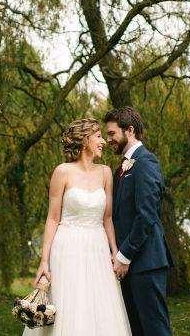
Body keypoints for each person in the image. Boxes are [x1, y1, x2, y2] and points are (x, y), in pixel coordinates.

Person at [25, 118, 131, 335]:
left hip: (98, 248)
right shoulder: (62, 172)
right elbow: (52, 218)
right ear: (85, 140)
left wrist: (114, 252)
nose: (103, 141)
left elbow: (107, 218)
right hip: (67, 248)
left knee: (101, 307)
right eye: (99, 136)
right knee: (69, 306)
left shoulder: (105, 173)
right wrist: (44, 261)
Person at [105, 107, 173, 336]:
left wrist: (124, 256)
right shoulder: (121, 169)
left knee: (155, 329)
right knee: (135, 330)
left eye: (112, 133)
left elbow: (147, 215)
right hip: (128, 266)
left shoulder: (146, 162)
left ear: (129, 130)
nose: (109, 139)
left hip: (146, 263)